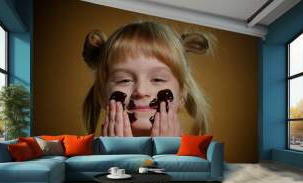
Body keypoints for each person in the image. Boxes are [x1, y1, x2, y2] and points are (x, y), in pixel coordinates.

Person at [82, 21, 213, 137]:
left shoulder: (199, 161)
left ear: (183, 96)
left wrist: (168, 154)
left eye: (158, 79)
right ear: (102, 95)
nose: (141, 91)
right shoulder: (83, 160)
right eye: (124, 80)